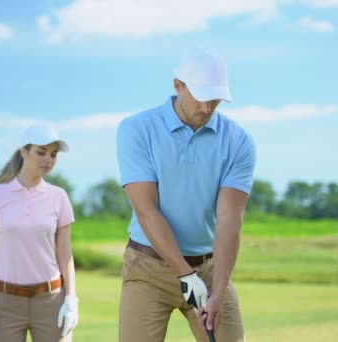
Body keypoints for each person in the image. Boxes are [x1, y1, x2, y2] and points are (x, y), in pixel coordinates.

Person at [116, 47, 256, 342]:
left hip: (208, 268)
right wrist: (183, 273)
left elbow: (230, 221)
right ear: (178, 85)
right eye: (200, 97)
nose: (207, 108)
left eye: (215, 99)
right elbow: (146, 209)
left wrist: (218, 291)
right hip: (148, 268)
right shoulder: (136, 129)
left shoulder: (239, 141)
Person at [0, 123, 78, 341]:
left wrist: (71, 299)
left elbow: (65, 254)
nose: (48, 160)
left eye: (53, 154)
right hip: (4, 304)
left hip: (51, 301)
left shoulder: (58, 196)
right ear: (24, 152)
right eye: (41, 152)